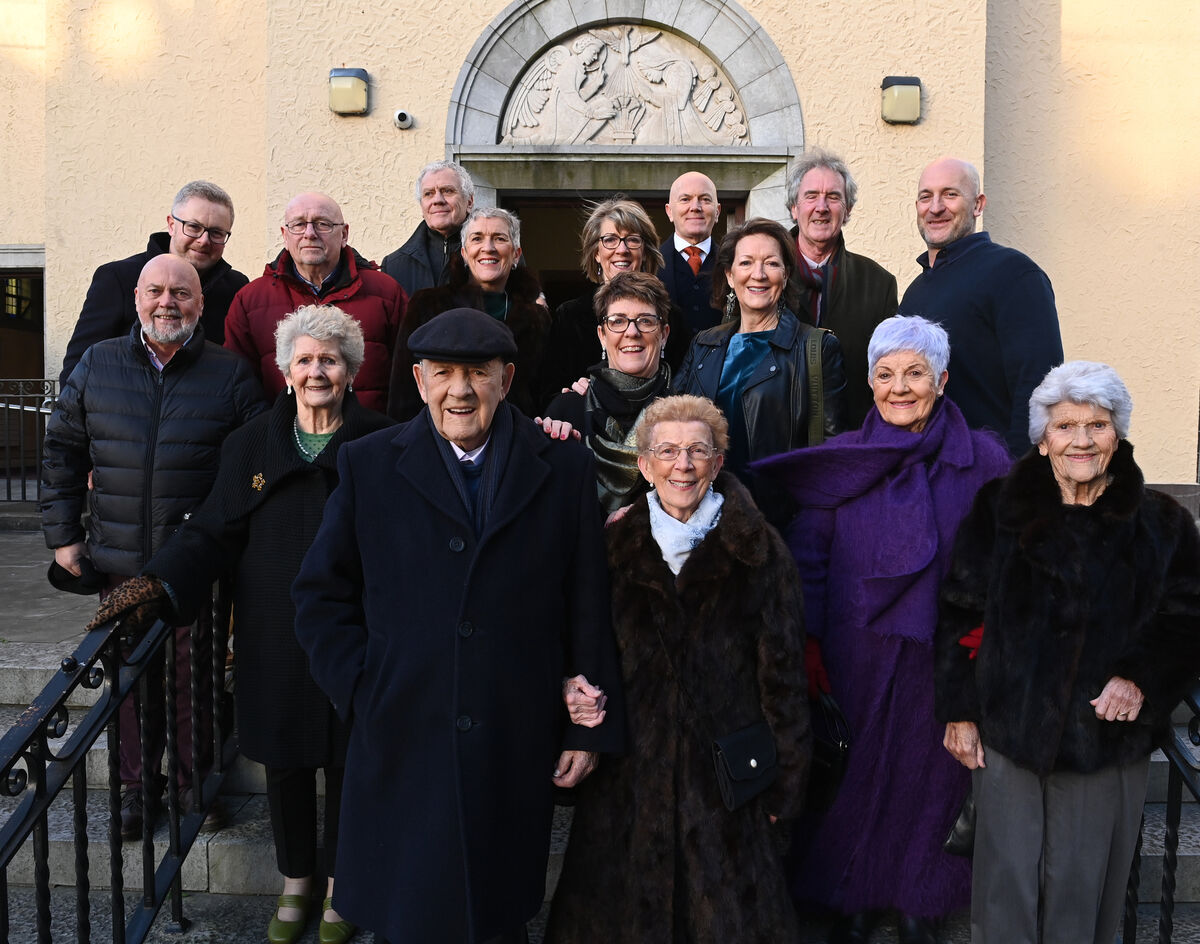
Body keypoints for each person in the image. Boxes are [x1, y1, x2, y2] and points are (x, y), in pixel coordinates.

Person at [291, 308, 625, 944]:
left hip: (513, 728)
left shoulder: (563, 467)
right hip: (404, 726)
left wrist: (589, 726)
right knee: (410, 909)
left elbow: (587, 597)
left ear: (507, 379)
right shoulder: (368, 464)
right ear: (419, 381)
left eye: (478, 373)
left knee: (498, 911)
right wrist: (363, 687)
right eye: (443, 373)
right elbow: (319, 593)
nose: (461, 390)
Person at [90, 306, 391, 944]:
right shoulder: (250, 444)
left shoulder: (381, 441)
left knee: (348, 761)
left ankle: (342, 885)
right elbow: (213, 529)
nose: (317, 371)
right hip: (272, 632)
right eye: (305, 360)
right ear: (285, 372)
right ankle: (297, 880)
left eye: (330, 360)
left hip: (356, 632)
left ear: (351, 372)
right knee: (283, 759)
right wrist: (158, 581)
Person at [753, 316, 1011, 944]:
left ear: (942, 380)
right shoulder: (845, 461)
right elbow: (809, 557)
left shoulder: (985, 460)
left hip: (945, 656)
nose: (900, 387)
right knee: (858, 777)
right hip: (854, 649)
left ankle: (924, 898)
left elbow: (1007, 556)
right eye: (886, 374)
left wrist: (984, 638)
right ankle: (855, 895)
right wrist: (810, 643)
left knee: (933, 782)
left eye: (915, 373)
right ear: (869, 383)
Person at [935, 361, 1200, 944]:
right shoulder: (998, 508)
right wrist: (959, 709)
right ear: (1042, 436)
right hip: (1008, 734)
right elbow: (960, 610)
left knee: (1082, 897)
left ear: (1118, 433)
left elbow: (1187, 618)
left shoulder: (1161, 523)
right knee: (1004, 893)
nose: (1081, 440)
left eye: (1098, 425)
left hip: (1105, 738)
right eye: (1066, 426)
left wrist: (1139, 678)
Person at [546, 394, 810, 943]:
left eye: (697, 451)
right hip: (629, 780)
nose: (682, 465)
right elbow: (581, 644)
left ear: (718, 463)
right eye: (666, 451)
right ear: (643, 466)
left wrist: (784, 787)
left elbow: (783, 681)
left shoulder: (759, 551)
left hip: (726, 780)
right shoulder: (612, 544)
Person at [42, 254, 265, 837]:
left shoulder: (230, 373)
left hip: (194, 566)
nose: (169, 302)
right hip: (119, 562)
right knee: (131, 683)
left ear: (199, 303)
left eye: (182, 293)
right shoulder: (98, 362)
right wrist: (63, 536)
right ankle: (137, 791)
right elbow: (63, 451)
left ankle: (197, 784)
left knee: (197, 679)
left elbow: (252, 468)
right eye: (157, 291)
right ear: (137, 298)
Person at [900, 157, 1062, 455]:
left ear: (978, 204)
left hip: (989, 477)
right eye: (926, 196)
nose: (935, 207)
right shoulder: (915, 292)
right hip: (925, 474)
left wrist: (1013, 480)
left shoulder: (1014, 274)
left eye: (950, 194)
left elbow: (1039, 387)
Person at [673, 218, 847, 486]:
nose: (759, 274)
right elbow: (669, 421)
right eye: (746, 262)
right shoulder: (704, 345)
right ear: (730, 276)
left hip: (778, 519)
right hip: (706, 511)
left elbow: (830, 451)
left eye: (771, 263)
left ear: (786, 274)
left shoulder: (817, 349)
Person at [223, 191, 407, 412]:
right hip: (280, 440)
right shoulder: (251, 301)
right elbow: (239, 390)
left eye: (323, 224)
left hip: (371, 440)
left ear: (344, 234)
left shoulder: (386, 293)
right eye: (299, 225)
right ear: (284, 234)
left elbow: (407, 380)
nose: (310, 234)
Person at [59, 180, 247, 384]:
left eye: (216, 232)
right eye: (193, 227)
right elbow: (77, 370)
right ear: (171, 225)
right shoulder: (118, 278)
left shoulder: (236, 289)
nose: (204, 240)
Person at [387, 207, 549, 420]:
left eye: (499, 238)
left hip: (515, 438)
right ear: (464, 253)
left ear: (516, 255)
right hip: (440, 439)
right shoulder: (427, 305)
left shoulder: (536, 317)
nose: (488, 248)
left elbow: (545, 392)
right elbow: (404, 390)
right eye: (477, 239)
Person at [538, 271, 674, 513]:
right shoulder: (566, 410)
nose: (632, 332)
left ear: (663, 335)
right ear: (602, 335)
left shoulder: (685, 414)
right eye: (618, 321)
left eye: (645, 320)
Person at [538, 198, 688, 406]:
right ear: (597, 253)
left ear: (644, 251)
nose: (622, 249)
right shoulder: (570, 316)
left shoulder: (672, 316)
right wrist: (570, 392)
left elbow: (684, 389)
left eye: (632, 240)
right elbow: (548, 393)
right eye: (610, 240)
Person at [785, 149, 897, 426]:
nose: (821, 207)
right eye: (811, 196)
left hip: (851, 441)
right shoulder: (761, 277)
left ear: (847, 212)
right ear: (794, 208)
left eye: (833, 197)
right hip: (774, 445)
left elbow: (888, 373)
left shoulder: (878, 282)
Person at [381, 160, 475, 297]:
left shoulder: (492, 258)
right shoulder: (394, 267)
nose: (437, 200)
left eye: (447, 191)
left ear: (469, 202)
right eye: (428, 194)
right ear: (422, 206)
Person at [656, 171, 724, 334]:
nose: (695, 207)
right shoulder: (648, 265)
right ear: (669, 211)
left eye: (705, 199)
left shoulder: (735, 264)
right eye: (685, 199)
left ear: (717, 212)